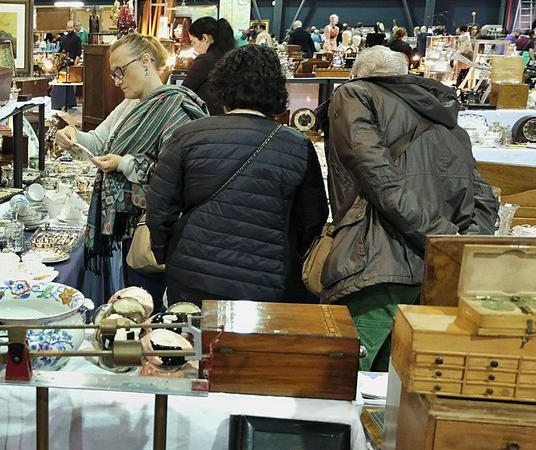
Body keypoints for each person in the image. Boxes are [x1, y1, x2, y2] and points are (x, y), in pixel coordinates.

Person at [320, 46, 498, 371]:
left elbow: (379, 177)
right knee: (401, 393)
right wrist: (459, 249)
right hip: (435, 275)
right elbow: (483, 193)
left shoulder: (354, 95)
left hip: (376, 262)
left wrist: (440, 240)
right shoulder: (445, 118)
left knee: (346, 384)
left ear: (357, 74)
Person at [146, 44, 327, 305]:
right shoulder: (297, 145)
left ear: (221, 86)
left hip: (193, 274)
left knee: (192, 341)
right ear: (277, 90)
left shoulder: (188, 135)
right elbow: (311, 219)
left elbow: (160, 205)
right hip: (266, 280)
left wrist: (166, 253)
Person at [54, 33, 207, 310]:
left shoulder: (175, 107)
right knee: (132, 297)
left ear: (146, 61)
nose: (117, 81)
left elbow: (175, 175)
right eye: (113, 74)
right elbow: (101, 141)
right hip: (129, 225)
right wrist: (72, 135)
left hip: (156, 229)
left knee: (148, 302)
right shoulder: (131, 104)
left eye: (121, 71)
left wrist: (123, 164)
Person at [181, 17, 236, 113]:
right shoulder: (230, 56)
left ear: (205, 38)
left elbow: (183, 91)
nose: (194, 48)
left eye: (193, 42)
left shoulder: (205, 61)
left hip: (208, 118)